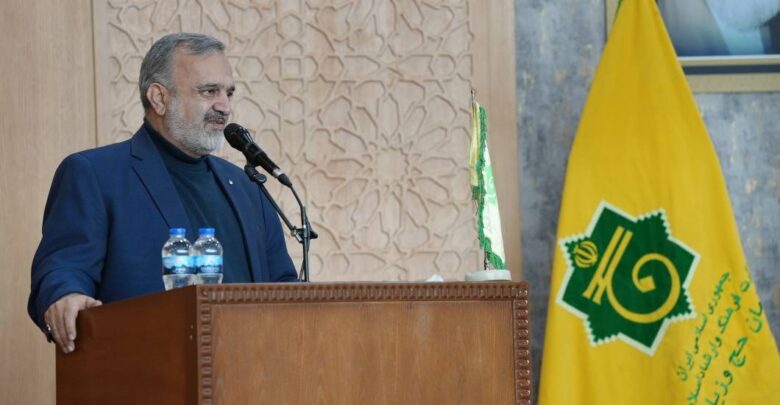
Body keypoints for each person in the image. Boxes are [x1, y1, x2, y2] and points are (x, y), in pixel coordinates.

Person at [28, 33, 298, 354]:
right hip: (147, 367)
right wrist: (64, 296)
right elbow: (63, 267)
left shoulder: (246, 187)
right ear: (159, 98)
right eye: (208, 91)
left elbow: (283, 287)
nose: (224, 107)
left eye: (228, 92)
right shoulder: (96, 174)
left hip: (252, 369)